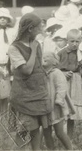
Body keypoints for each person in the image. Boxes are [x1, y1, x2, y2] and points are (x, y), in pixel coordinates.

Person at [8, 13, 52, 150]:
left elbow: (39, 66)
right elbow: (27, 70)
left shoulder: (37, 44)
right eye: (39, 28)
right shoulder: (14, 48)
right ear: (30, 28)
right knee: (23, 131)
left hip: (38, 95)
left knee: (36, 130)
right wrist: (33, 50)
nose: (41, 31)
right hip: (24, 97)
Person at [42, 52, 73, 150]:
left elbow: (62, 87)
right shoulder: (42, 73)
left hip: (56, 107)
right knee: (46, 133)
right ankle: (51, 149)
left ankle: (69, 148)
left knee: (59, 132)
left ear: (54, 62)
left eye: (47, 57)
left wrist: (59, 99)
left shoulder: (57, 73)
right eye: (43, 57)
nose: (44, 58)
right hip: (45, 108)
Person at [57, 29, 82, 136]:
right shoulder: (61, 53)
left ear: (80, 41)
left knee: (72, 108)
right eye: (72, 41)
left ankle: (70, 136)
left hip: (75, 81)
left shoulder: (80, 54)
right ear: (67, 40)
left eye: (77, 41)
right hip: (64, 81)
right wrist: (63, 74)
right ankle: (61, 135)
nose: (74, 44)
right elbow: (54, 68)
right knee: (64, 107)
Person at [0, 8, 16, 114]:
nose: (2, 20)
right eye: (0, 18)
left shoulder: (11, 32)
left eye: (4, 18)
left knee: (5, 93)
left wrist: (12, 65)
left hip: (8, 65)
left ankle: (5, 117)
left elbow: (13, 49)